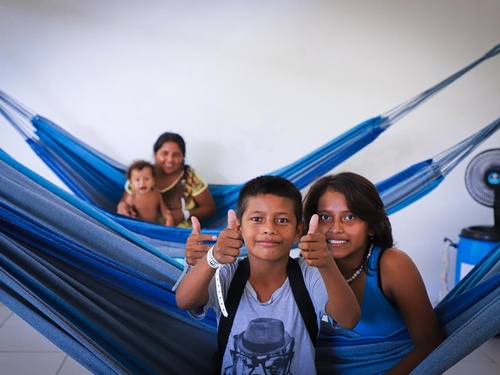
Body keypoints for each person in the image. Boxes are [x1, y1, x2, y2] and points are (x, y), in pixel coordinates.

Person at [175, 175, 360, 374]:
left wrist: (327, 264)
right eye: (256, 219)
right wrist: (213, 258)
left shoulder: (309, 274)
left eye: (282, 220)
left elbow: (348, 319)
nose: (269, 229)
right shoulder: (227, 273)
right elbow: (185, 300)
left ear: (299, 230)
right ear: (239, 227)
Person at [302, 172, 444, 374]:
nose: (335, 229)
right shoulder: (304, 270)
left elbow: (430, 343)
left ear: (371, 227)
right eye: (325, 217)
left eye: (349, 217)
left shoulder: (392, 265)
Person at [116, 132, 216, 227]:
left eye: (176, 154)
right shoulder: (141, 174)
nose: (170, 159)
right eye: (164, 153)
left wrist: (184, 214)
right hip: (141, 232)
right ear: (155, 154)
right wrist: (122, 207)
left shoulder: (190, 178)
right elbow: (123, 203)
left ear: (183, 157)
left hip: (179, 233)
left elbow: (209, 208)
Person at [119, 160, 174, 226]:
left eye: (146, 179)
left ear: (153, 181)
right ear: (131, 183)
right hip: (139, 227)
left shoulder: (157, 195)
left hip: (154, 226)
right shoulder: (132, 198)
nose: (142, 183)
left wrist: (169, 219)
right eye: (137, 180)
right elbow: (126, 215)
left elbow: (165, 212)